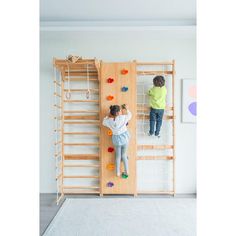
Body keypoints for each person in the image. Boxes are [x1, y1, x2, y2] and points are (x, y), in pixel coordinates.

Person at [102, 104, 131, 178]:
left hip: (116, 140)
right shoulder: (123, 118)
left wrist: (108, 115)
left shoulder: (109, 121)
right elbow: (130, 115)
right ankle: (127, 171)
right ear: (118, 113)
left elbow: (103, 122)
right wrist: (127, 109)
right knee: (124, 155)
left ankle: (117, 172)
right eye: (120, 111)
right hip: (124, 138)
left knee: (118, 156)